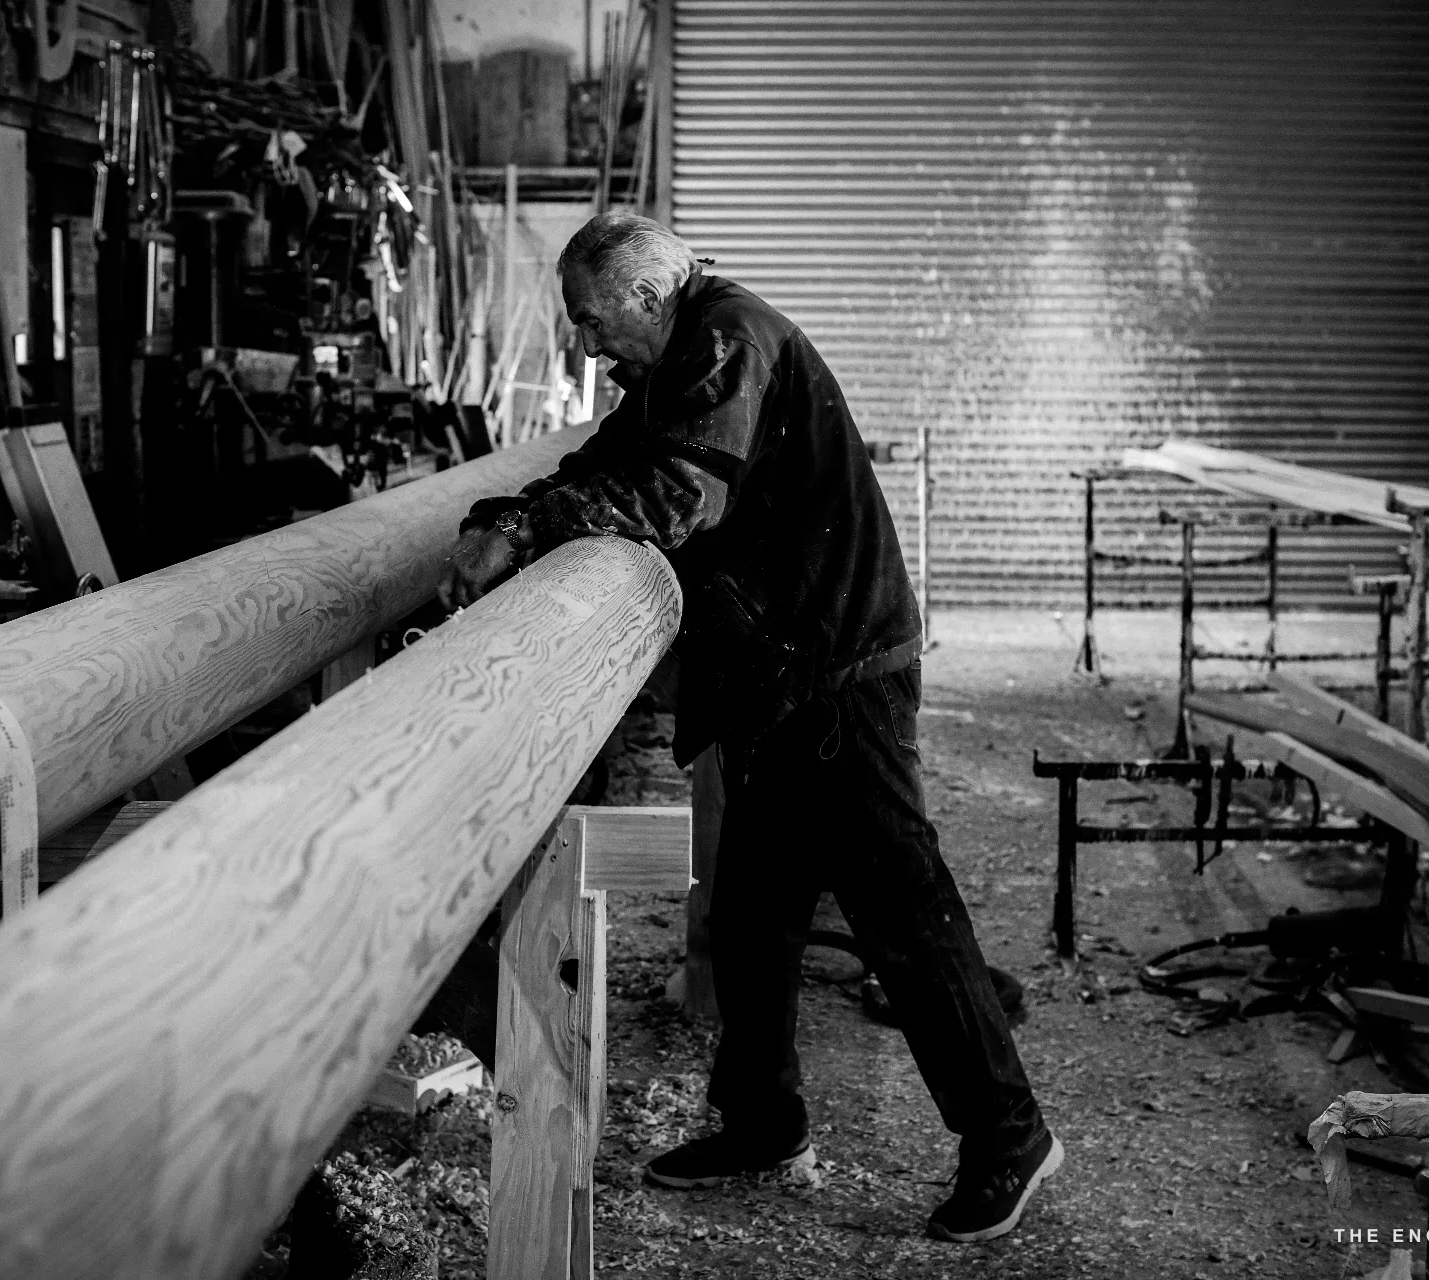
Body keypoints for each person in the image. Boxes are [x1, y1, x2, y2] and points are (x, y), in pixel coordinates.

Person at [436, 211, 1059, 1243]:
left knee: (904, 916)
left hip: (838, 674)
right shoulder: (678, 357)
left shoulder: (728, 341)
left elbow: (678, 495)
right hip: (779, 677)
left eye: (592, 322)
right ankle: (764, 1120)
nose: (587, 347)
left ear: (645, 296)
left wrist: (532, 528)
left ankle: (1010, 1135)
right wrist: (511, 515)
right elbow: (610, 458)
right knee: (754, 915)